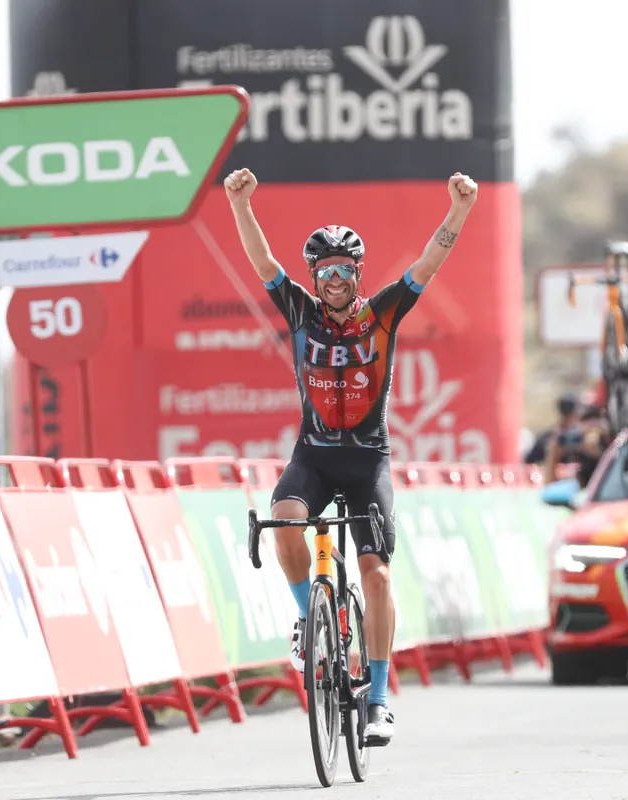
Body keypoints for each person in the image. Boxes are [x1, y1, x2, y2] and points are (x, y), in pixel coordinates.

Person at [223, 166, 478, 746]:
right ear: (315, 277)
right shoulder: (300, 312)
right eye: (325, 271)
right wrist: (241, 205)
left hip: (368, 461)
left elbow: (428, 264)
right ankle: (306, 618)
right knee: (284, 518)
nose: (334, 279)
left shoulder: (382, 313)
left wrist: (459, 210)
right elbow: (263, 262)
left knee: (376, 575)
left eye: (344, 270)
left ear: (357, 273)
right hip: (313, 455)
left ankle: (380, 701)